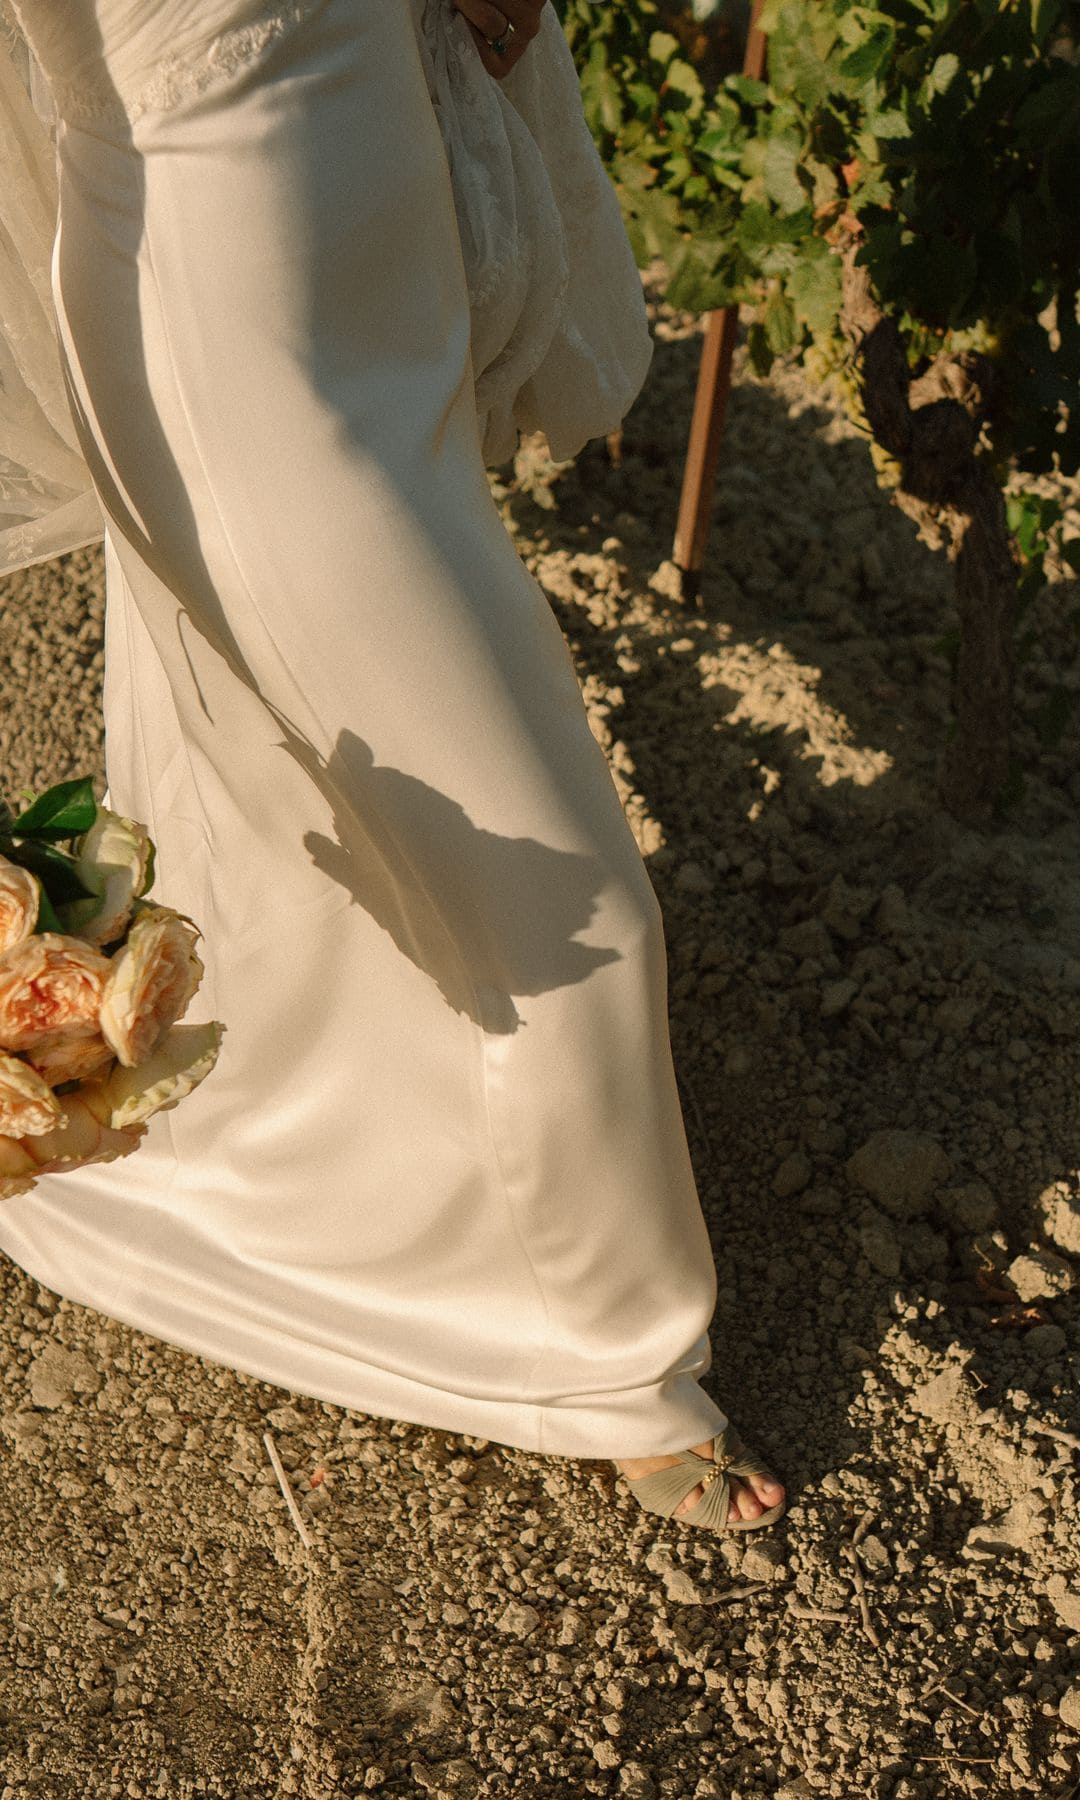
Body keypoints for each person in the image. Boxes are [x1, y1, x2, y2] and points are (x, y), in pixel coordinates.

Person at [0, 0, 784, 1535]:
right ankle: (597, 1351)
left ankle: (274, 1182)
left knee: (297, 793)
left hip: (364, 185)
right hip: (217, 300)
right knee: (552, 879)